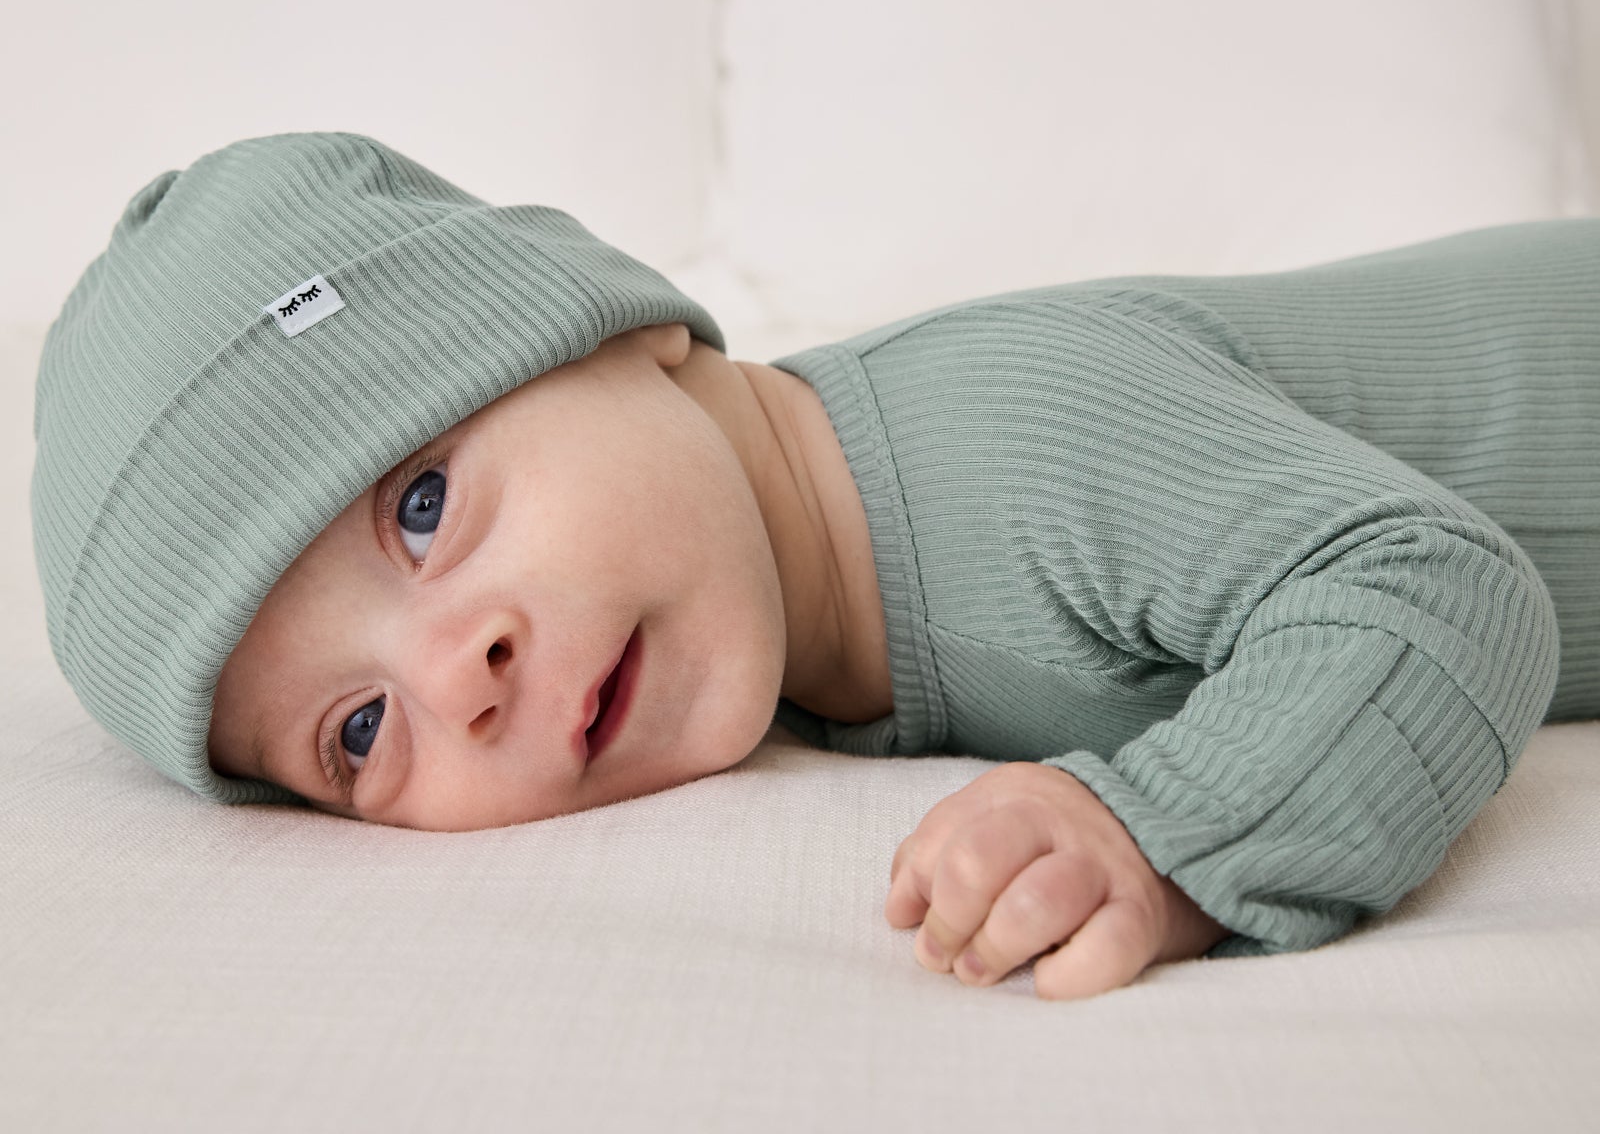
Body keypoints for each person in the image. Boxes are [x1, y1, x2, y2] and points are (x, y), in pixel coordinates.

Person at [32, 131, 1599, 1002]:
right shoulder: (820, 647)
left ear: (621, 329)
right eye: (359, 733)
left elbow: (1435, 583)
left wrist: (1169, 832)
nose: (462, 673)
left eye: (424, 508)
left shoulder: (1015, 434)